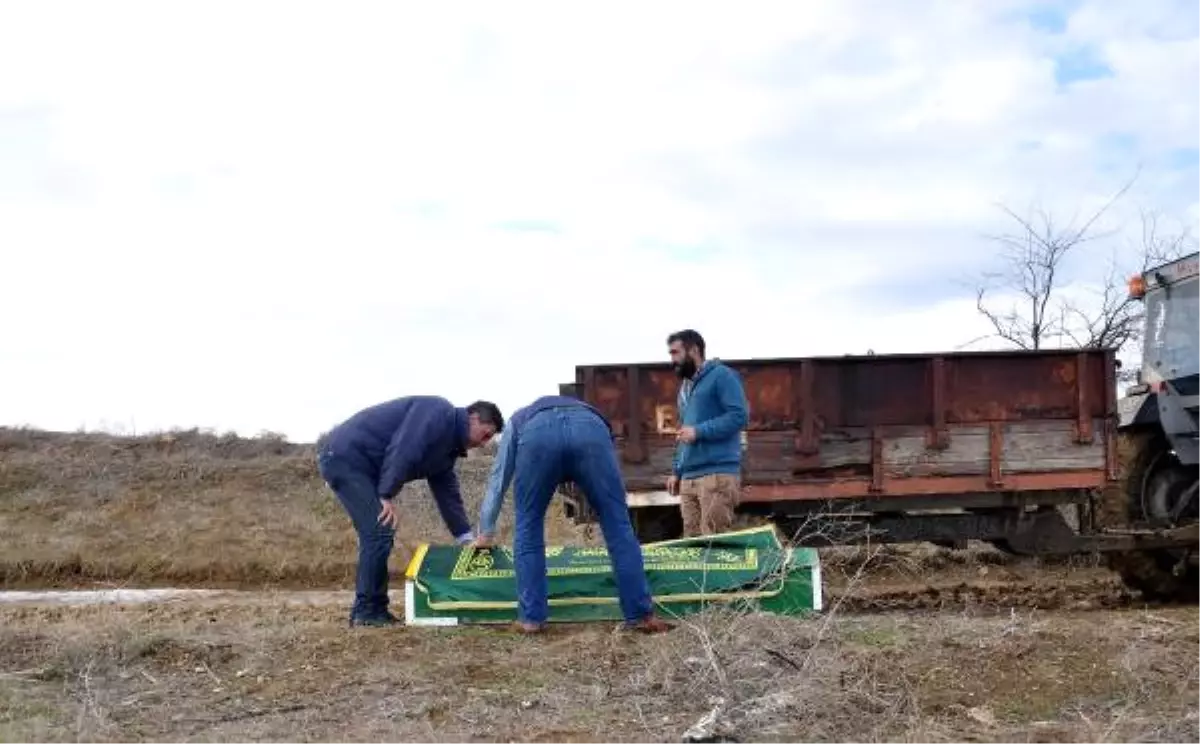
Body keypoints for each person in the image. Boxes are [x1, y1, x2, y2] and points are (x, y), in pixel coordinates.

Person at [472, 395, 671, 634]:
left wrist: (486, 531)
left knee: (528, 523)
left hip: (538, 437)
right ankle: (641, 615)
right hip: (591, 431)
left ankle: (531, 620)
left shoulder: (518, 419)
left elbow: (498, 479)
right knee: (617, 523)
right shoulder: (591, 413)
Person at [317, 396, 504, 627]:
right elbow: (405, 447)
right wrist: (385, 494)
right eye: (486, 435)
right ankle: (367, 612)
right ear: (473, 417)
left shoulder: (446, 451)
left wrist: (465, 538)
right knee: (379, 529)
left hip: (361, 467)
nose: (485, 444)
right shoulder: (438, 412)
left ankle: (371, 609)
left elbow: (448, 494)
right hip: (345, 458)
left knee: (377, 531)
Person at [665, 329, 750, 537]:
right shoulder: (684, 388)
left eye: (676, 353)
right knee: (691, 549)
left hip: (716, 475)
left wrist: (699, 431)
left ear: (693, 350)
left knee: (714, 547)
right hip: (688, 479)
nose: (672, 360)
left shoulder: (722, 376)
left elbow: (739, 416)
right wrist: (677, 471)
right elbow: (684, 432)